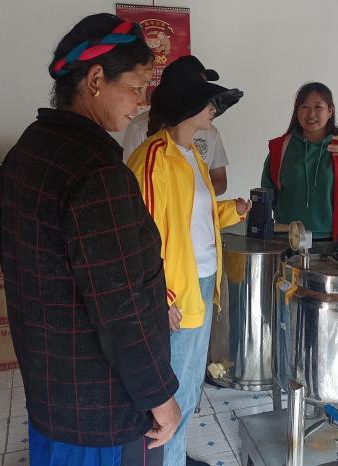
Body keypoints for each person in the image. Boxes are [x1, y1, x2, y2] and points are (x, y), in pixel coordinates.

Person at [0, 13, 180, 466]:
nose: (142, 101)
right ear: (96, 79)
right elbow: (121, 306)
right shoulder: (96, 171)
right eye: (136, 86)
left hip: (50, 393)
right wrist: (160, 397)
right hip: (101, 412)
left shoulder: (29, 148)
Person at [126, 56, 251, 466]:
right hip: (175, 291)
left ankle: (175, 457)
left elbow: (192, 218)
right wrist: (159, 295)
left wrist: (231, 211)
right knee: (171, 395)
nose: (214, 108)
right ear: (185, 102)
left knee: (190, 385)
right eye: (206, 100)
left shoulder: (191, 155)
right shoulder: (153, 158)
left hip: (202, 281)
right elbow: (140, 234)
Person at [261, 82, 338, 240]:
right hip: (287, 238)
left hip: (334, 240)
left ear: (330, 111)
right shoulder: (281, 148)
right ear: (297, 111)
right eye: (304, 107)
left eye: (318, 107)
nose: (311, 114)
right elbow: (266, 194)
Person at [122, 55, 239, 195]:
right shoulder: (145, 138)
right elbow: (134, 186)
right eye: (200, 94)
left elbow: (218, 183)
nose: (212, 108)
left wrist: (231, 207)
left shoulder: (197, 148)